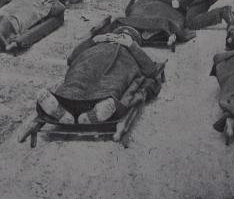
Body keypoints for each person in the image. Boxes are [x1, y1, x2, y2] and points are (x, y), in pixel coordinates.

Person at [36, 26, 164, 125]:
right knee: (78, 78)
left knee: (113, 83)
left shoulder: (133, 50)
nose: (121, 37)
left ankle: (94, 112)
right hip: (91, 60)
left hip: (121, 64)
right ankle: (61, 109)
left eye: (126, 36)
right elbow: (72, 58)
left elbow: (150, 70)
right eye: (119, 34)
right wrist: (94, 40)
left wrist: (131, 46)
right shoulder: (99, 43)